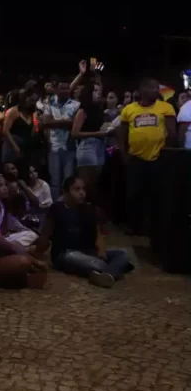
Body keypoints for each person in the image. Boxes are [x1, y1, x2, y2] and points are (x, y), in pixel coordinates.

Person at [36, 176, 133, 288]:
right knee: (98, 265)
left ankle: (108, 273)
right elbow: (45, 235)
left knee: (124, 254)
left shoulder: (89, 209)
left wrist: (102, 253)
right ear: (65, 192)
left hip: (89, 252)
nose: (82, 193)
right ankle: (114, 269)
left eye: (83, 189)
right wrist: (37, 256)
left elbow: (98, 235)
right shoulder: (57, 209)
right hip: (66, 254)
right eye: (77, 189)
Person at [118, 78, 176, 235]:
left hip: (158, 159)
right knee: (134, 195)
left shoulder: (166, 107)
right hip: (135, 159)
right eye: (153, 88)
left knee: (156, 196)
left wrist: (165, 154)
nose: (157, 91)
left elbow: (172, 134)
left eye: (157, 88)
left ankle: (155, 228)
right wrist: (124, 155)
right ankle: (135, 226)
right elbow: (121, 135)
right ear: (142, 90)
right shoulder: (129, 109)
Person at [40, 81, 80, 199]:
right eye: (62, 89)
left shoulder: (76, 104)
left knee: (69, 180)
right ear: (57, 90)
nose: (65, 91)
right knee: (55, 182)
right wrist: (66, 122)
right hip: (53, 146)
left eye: (67, 89)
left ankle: (69, 205)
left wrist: (54, 122)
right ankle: (56, 207)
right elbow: (46, 122)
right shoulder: (50, 104)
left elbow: (75, 124)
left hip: (70, 146)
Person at [71, 83, 110, 201]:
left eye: (99, 90)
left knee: (95, 184)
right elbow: (74, 133)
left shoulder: (99, 111)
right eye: (95, 90)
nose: (99, 93)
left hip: (100, 146)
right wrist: (97, 134)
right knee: (86, 184)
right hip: (87, 145)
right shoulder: (82, 111)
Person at [3, 87, 42, 171]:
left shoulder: (32, 112)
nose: (32, 103)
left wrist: (37, 125)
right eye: (31, 100)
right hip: (13, 146)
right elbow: (5, 131)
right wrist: (15, 147)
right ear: (25, 98)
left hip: (26, 147)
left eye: (35, 101)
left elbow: (33, 131)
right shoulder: (14, 111)